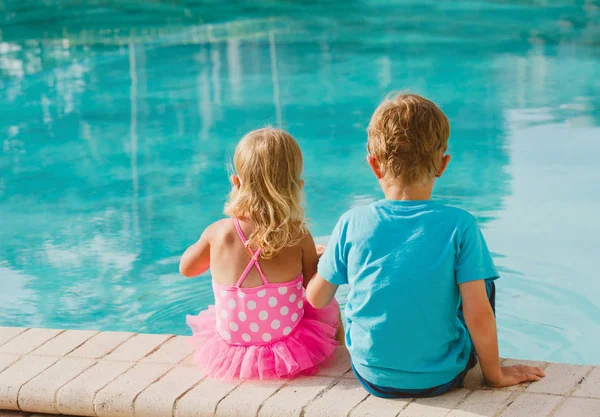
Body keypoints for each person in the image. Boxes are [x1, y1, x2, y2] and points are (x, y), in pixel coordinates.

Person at [306, 93, 545, 397]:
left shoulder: (352, 223)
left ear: (374, 165)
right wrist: (495, 375)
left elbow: (316, 299)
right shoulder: (460, 225)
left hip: (372, 375)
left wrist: (324, 262)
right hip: (441, 377)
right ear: (443, 164)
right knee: (480, 285)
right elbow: (478, 313)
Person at [180, 127, 340, 381]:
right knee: (330, 306)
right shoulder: (298, 236)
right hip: (287, 343)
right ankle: (342, 354)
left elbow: (187, 269)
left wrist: (204, 242)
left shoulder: (218, 233)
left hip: (231, 346)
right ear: (297, 186)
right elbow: (315, 293)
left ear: (235, 182)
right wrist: (320, 259)